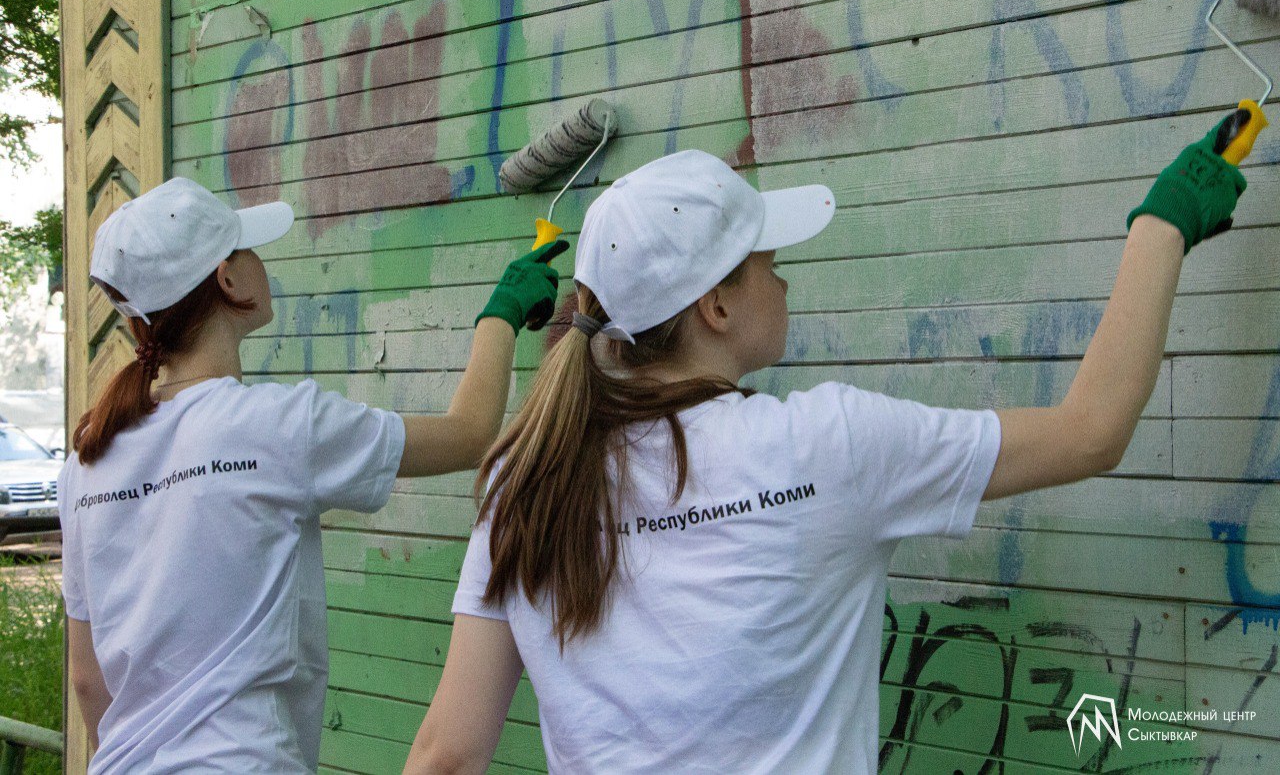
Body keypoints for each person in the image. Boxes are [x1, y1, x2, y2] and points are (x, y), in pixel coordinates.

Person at [402, 120, 1248, 774]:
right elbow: (1091, 430)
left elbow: (447, 753)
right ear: (717, 307)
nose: (784, 278)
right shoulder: (823, 446)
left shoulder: (525, 476)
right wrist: (1161, 227)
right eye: (768, 260)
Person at [58, 177, 569, 773]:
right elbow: (471, 434)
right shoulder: (277, 426)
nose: (260, 260)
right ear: (228, 281)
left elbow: (87, 677)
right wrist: (501, 313)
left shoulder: (85, 464)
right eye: (247, 248)